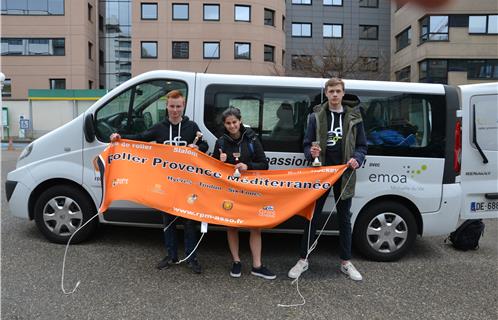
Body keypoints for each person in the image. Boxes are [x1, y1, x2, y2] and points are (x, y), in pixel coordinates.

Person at [110, 90, 208, 274]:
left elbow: (204, 145)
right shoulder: (160, 127)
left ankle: (191, 258)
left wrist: (198, 147)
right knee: (168, 222)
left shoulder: (191, 126)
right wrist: (120, 138)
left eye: (178, 106)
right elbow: (140, 139)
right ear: (167, 105)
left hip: (187, 184)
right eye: (172, 106)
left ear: (183, 105)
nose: (175, 110)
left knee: (189, 223)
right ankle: (171, 255)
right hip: (166, 184)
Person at [288, 78, 367, 281]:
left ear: (343, 93)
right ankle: (303, 260)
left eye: (337, 91)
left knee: (344, 219)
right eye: (331, 91)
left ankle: (346, 262)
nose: (334, 94)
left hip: (345, 173)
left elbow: (362, 146)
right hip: (320, 173)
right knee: (312, 216)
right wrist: (310, 152)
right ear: (326, 93)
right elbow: (305, 145)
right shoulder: (316, 117)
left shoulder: (354, 117)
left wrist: (357, 159)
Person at [212, 107, 276, 280]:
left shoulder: (252, 139)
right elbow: (213, 169)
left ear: (240, 121)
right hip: (230, 190)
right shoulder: (221, 142)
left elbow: (264, 164)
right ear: (224, 125)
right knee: (232, 225)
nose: (232, 126)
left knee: (255, 226)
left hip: (250, 190)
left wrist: (248, 167)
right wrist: (220, 162)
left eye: (234, 122)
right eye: (228, 123)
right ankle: (236, 261)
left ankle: (257, 265)